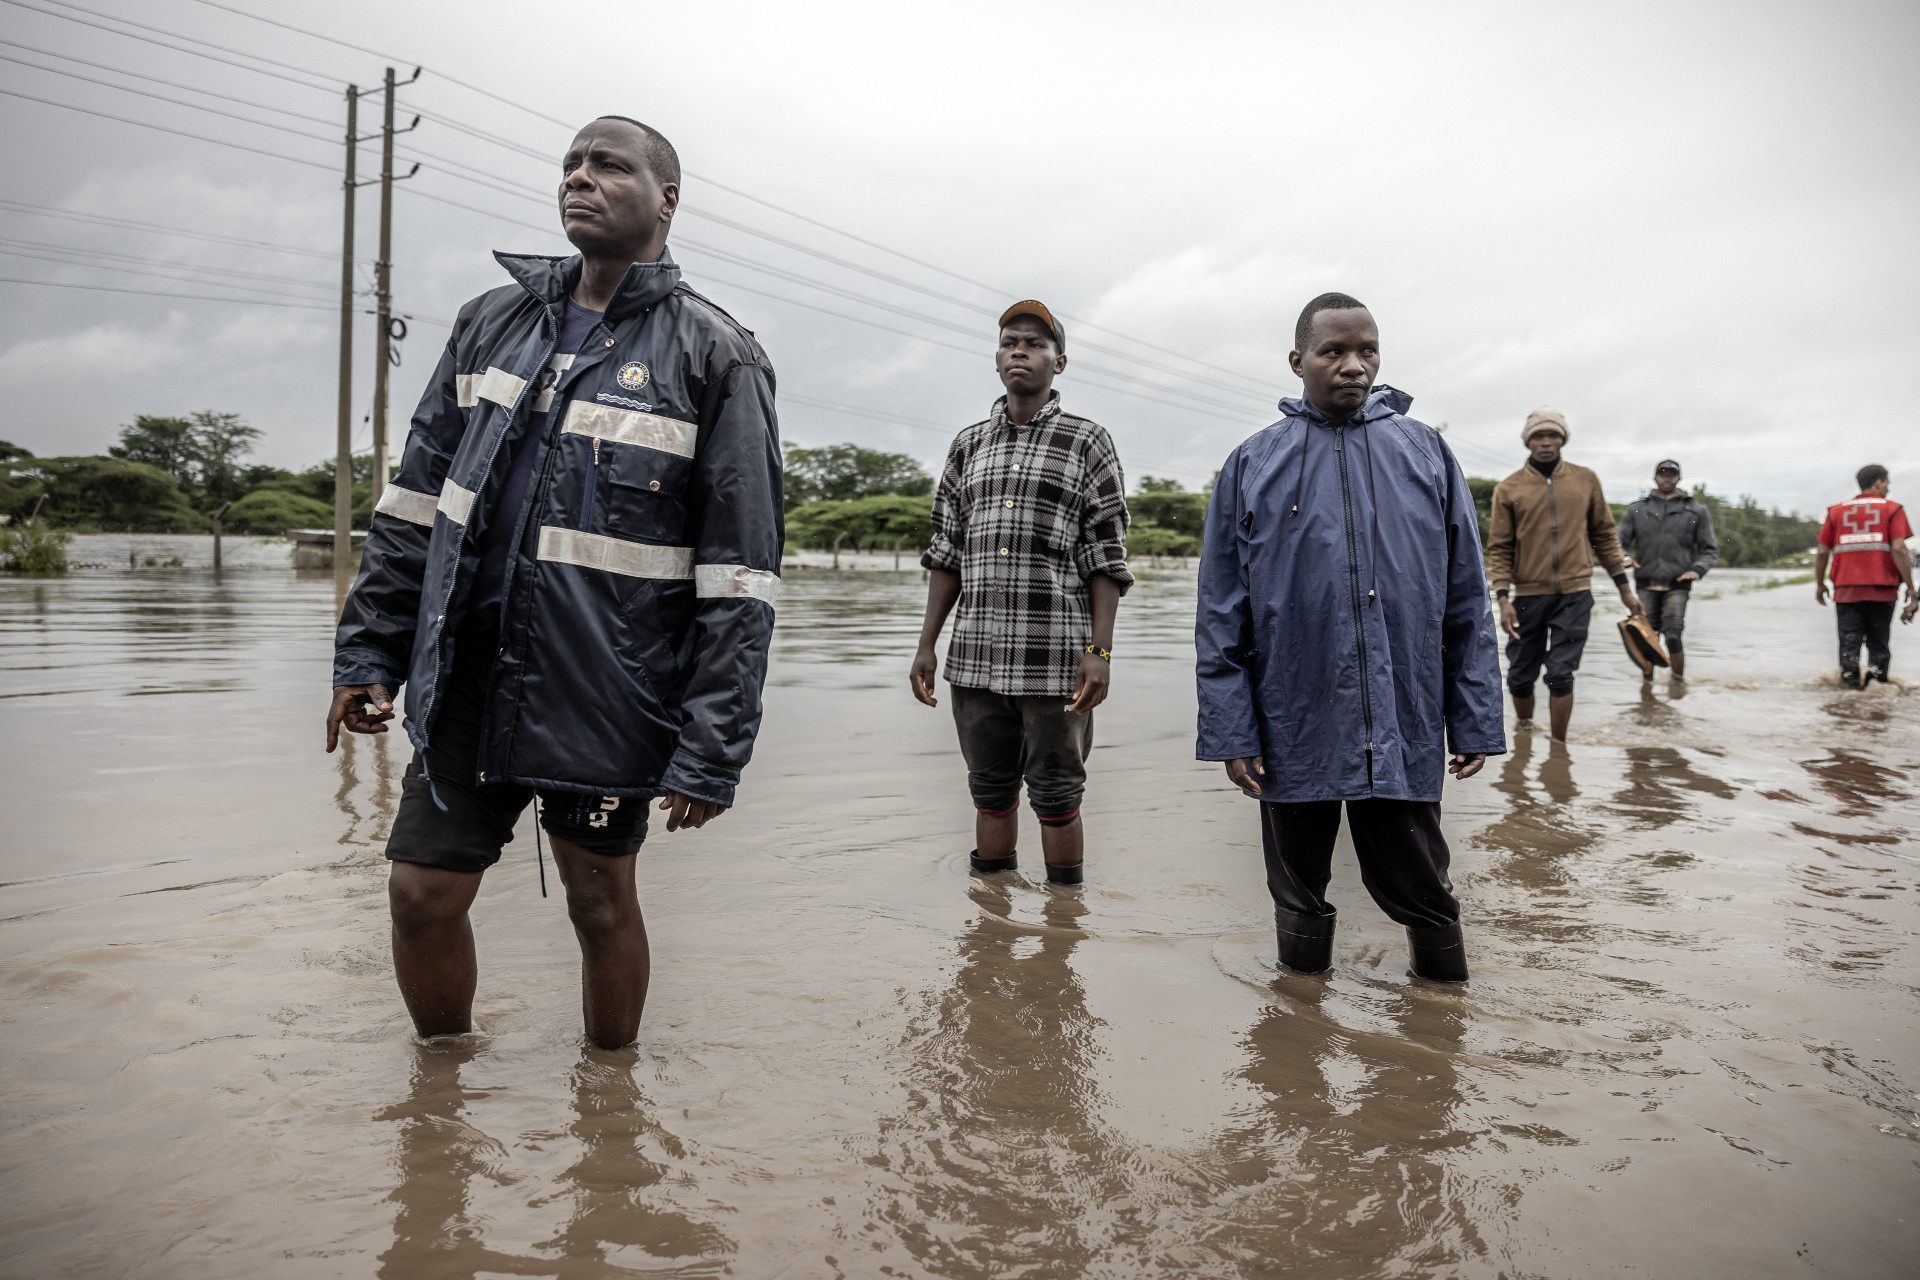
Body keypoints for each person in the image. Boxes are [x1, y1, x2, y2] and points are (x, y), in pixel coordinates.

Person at [325, 117, 784, 1050]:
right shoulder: (489, 322)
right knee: (419, 893)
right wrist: (369, 650)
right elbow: (415, 503)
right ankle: (441, 1094)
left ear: (667, 198)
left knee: (599, 901)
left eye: (608, 165)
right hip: (468, 673)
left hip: (605, 688)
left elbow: (740, 575)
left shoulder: (715, 353)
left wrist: (711, 750)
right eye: (570, 165)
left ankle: (608, 1116)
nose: (580, 178)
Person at [1195, 292, 1505, 982]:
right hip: (1292, 714)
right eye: (1334, 351)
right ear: (1298, 360)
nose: (1353, 366)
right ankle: (1296, 1041)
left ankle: (1441, 1025)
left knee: (1423, 885)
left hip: (1400, 711)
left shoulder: (1425, 453)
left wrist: (1476, 717)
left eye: (1366, 351)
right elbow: (1221, 610)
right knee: (1298, 886)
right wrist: (1231, 730)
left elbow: (1465, 599)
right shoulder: (1253, 464)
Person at [910, 301, 1132, 886]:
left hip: (1056, 660)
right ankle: (992, 924)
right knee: (989, 790)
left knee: (1058, 791)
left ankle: (1064, 928)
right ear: (997, 355)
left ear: (1059, 361)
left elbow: (1106, 559)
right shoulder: (968, 446)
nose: (1020, 351)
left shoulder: (1088, 442)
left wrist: (1100, 653)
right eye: (1011, 341)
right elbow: (946, 552)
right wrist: (927, 644)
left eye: (1035, 343)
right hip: (976, 658)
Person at [1487, 408, 1641, 740]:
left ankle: (1560, 748)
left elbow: (1604, 536)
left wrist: (1625, 590)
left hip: (1575, 593)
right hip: (1526, 595)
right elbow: (1499, 548)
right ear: (1528, 441)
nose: (1545, 442)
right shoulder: (1508, 489)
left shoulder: (1585, 480)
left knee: (1560, 674)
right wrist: (1503, 598)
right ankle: (1525, 732)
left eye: (1552, 435)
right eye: (1538, 436)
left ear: (1563, 439)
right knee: (1520, 676)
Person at [1815, 464, 1917, 688]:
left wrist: (1820, 584)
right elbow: (1899, 549)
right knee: (1878, 648)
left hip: (1846, 593)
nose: (1888, 489)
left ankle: (1849, 697)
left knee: (1848, 647)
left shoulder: (1835, 512)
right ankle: (1876, 698)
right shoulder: (1893, 509)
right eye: (1887, 484)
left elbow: (1822, 551)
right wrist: (1910, 586)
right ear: (1878, 482)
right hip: (1882, 592)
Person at [1616, 459, 1718, 681]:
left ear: (1678, 478)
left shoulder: (1695, 510)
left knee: (1672, 634)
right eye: (1662, 473)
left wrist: (1697, 570)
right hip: (1646, 581)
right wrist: (1624, 557)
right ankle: (1647, 688)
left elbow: (1709, 549)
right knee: (1646, 636)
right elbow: (1617, 542)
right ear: (1655, 477)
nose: (1666, 478)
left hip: (1678, 582)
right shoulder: (1637, 509)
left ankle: (1677, 683)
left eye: (1671, 474)